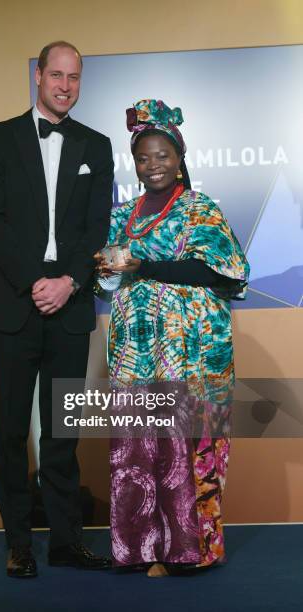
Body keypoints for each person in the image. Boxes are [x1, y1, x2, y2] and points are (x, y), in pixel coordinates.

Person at [0, 41, 114, 577]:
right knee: (9, 431)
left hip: (70, 304)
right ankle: (18, 543)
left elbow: (97, 226)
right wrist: (38, 281)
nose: (65, 86)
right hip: (13, 302)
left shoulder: (96, 147)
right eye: (56, 75)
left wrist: (70, 282)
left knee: (62, 431)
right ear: (38, 76)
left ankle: (65, 541)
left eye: (74, 77)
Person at [96, 99, 249, 577]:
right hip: (136, 353)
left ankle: (193, 549)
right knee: (141, 449)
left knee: (191, 446)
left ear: (179, 157)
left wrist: (147, 268)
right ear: (135, 163)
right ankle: (143, 549)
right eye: (144, 157)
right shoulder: (123, 214)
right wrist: (104, 269)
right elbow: (109, 279)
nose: (153, 164)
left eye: (162, 155)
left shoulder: (202, 209)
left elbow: (219, 270)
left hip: (195, 351)